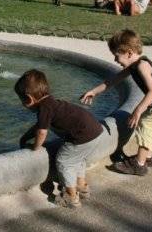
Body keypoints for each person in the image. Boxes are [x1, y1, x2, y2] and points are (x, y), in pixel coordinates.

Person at [81, 29, 152, 176]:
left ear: (129, 53)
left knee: (148, 127)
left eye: (116, 55)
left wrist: (137, 110)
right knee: (150, 125)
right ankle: (148, 157)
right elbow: (112, 81)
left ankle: (139, 164)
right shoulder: (133, 66)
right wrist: (94, 91)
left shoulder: (142, 66)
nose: (115, 60)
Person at [15, 69, 108, 209]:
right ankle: (81, 186)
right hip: (94, 131)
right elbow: (39, 126)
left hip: (81, 136)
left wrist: (35, 147)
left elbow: (41, 131)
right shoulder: (51, 102)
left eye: (22, 101)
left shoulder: (44, 109)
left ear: (29, 98)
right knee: (77, 159)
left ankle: (71, 196)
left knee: (64, 161)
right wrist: (25, 137)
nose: (22, 104)